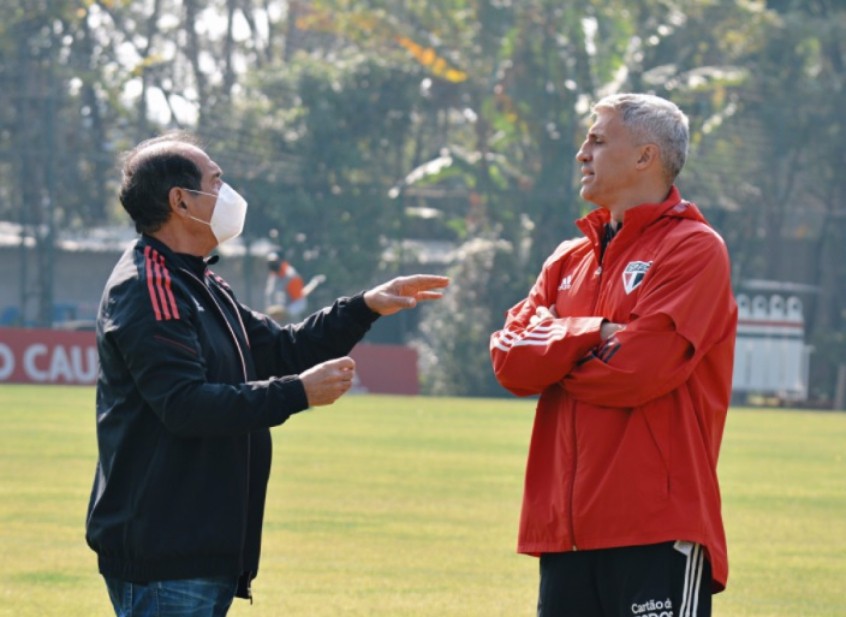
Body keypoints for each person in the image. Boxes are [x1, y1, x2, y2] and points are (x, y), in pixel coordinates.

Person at [85, 131, 449, 616]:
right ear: (181, 201)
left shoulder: (199, 281)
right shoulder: (150, 288)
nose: (229, 192)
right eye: (217, 180)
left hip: (196, 546)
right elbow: (185, 406)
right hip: (166, 553)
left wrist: (365, 307)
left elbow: (282, 348)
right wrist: (298, 393)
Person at [490, 93, 737, 616]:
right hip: (566, 532)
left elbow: (636, 370)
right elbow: (509, 362)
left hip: (656, 527)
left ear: (646, 157)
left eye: (598, 140)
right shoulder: (567, 258)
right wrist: (597, 332)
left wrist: (556, 346)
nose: (582, 153)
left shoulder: (695, 248)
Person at [264, 251, 325, 322]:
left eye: (274, 262)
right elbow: (270, 294)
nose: (272, 265)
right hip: (279, 311)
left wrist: (285, 312)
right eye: (270, 263)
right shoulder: (274, 274)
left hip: (293, 312)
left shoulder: (291, 276)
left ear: (281, 261)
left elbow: (299, 299)